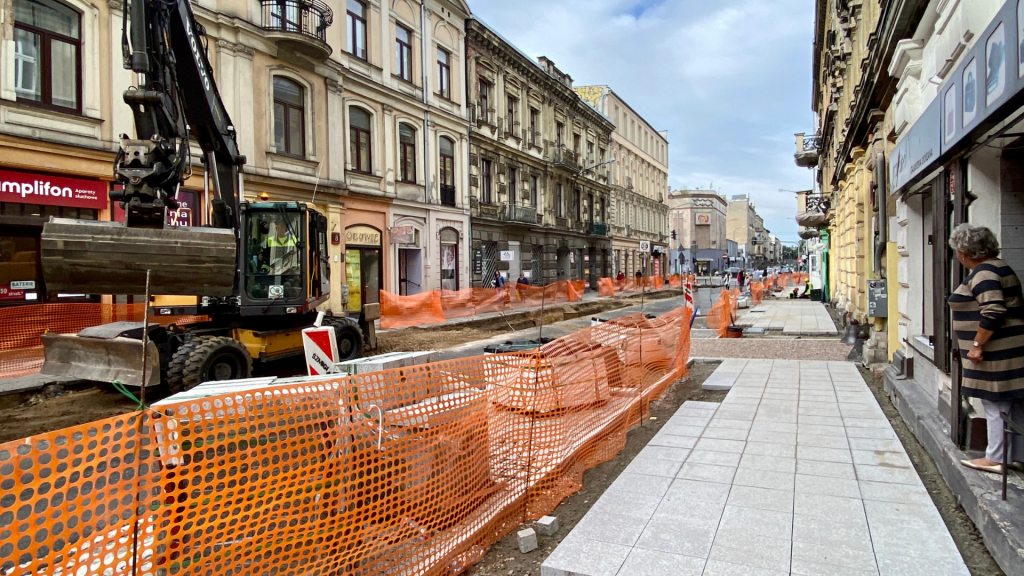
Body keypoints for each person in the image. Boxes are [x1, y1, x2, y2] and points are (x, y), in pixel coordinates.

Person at [947, 224, 1024, 473]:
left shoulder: (985, 273)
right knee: (1012, 401)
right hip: (1010, 349)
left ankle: (995, 457)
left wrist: (978, 345)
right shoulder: (999, 267)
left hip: (997, 352)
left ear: (964, 252)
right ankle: (1015, 455)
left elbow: (993, 309)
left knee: (995, 402)